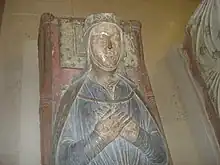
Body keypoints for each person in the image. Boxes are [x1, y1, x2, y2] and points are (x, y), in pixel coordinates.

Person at [54, 13, 168, 165]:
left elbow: (162, 157)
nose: (110, 46)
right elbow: (61, 161)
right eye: (101, 37)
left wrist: (139, 136)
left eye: (115, 38)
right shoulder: (74, 95)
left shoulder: (133, 94)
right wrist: (98, 139)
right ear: (88, 46)